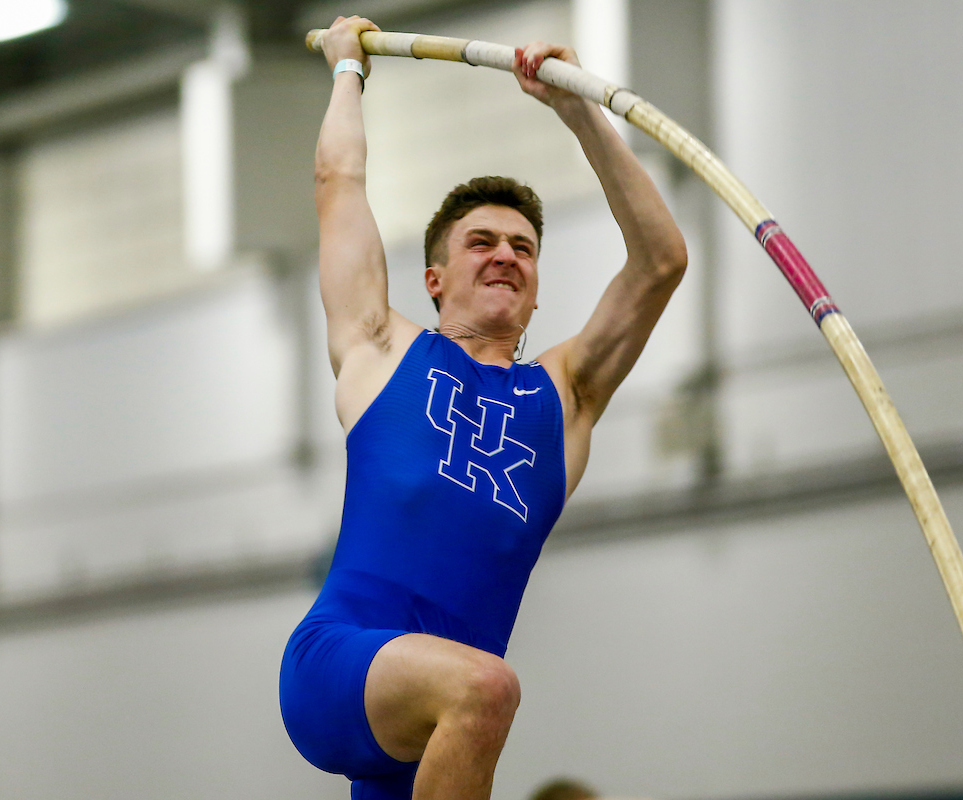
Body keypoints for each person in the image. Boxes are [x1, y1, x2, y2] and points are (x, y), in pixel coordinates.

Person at [279, 15, 687, 800]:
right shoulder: (380, 347)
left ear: (535, 291)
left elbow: (661, 260)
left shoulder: (564, 398)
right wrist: (347, 70)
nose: (505, 254)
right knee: (489, 688)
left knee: (477, 696)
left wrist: (579, 111)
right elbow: (339, 184)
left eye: (523, 248)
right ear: (433, 279)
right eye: (481, 242)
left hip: (435, 730)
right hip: (341, 668)